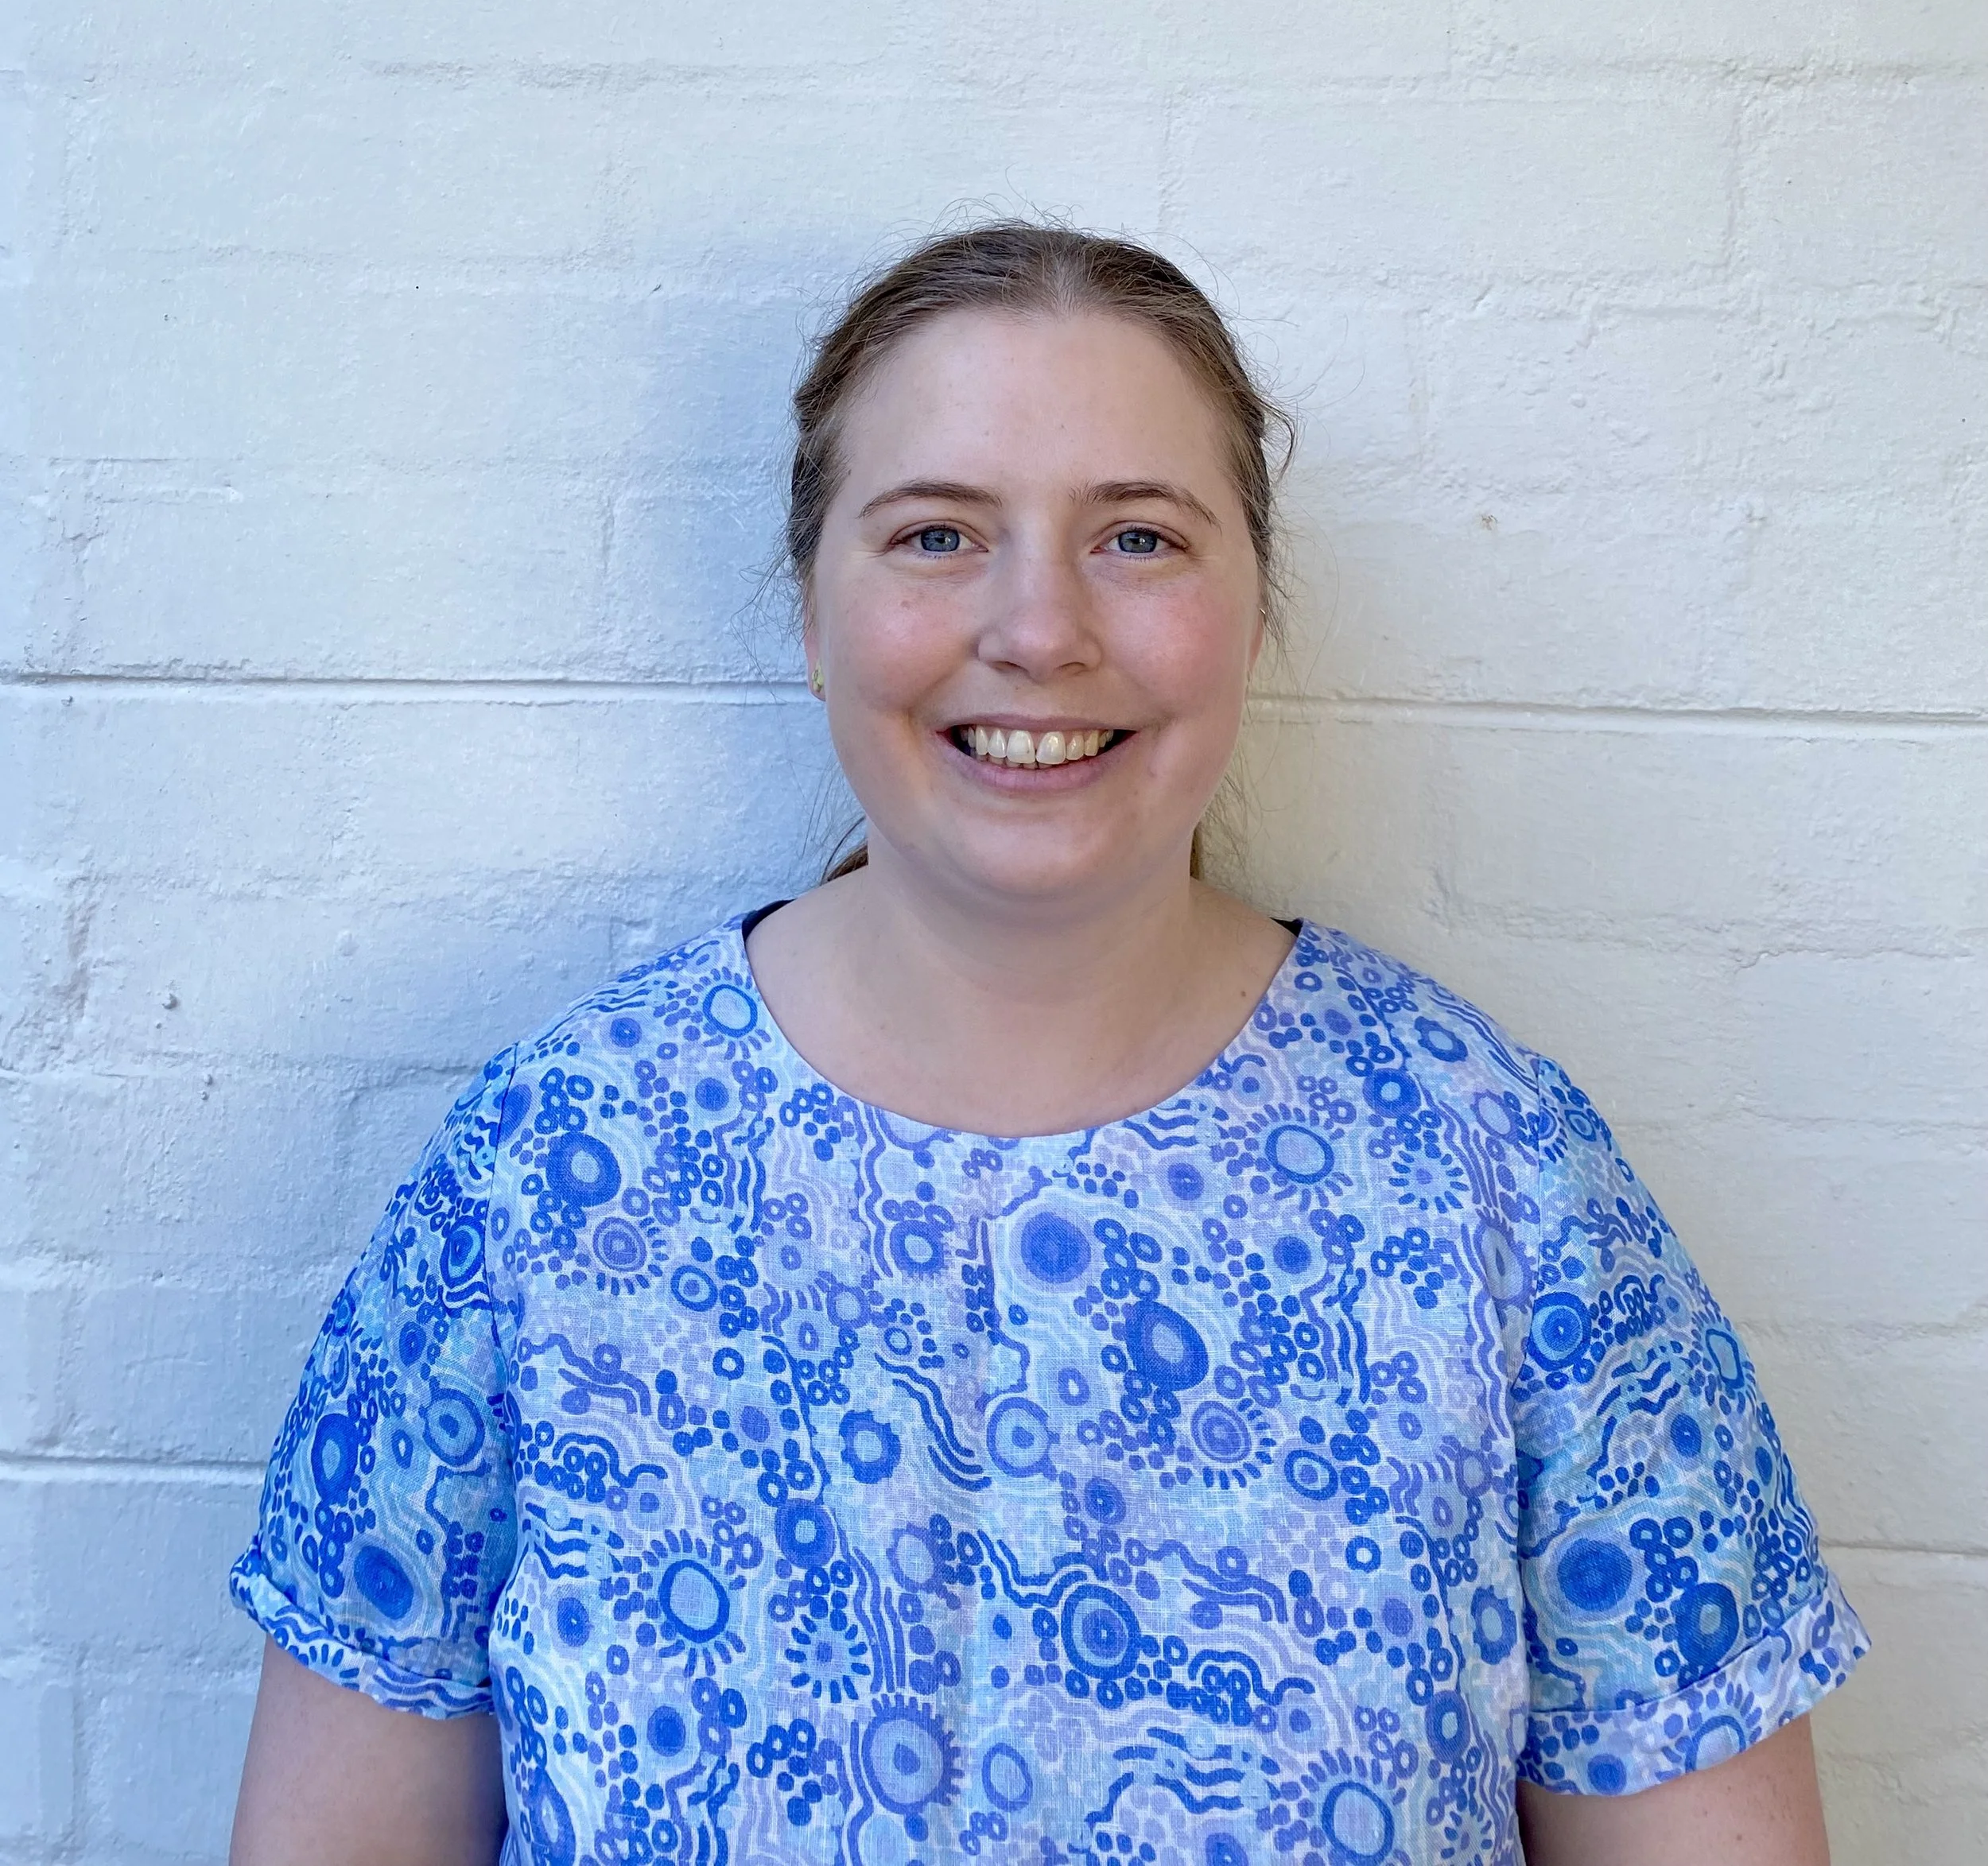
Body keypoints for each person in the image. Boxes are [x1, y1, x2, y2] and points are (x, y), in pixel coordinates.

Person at [229, 223, 1865, 1866]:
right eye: (937, 534)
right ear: (811, 610)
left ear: (1252, 610)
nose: (1037, 627)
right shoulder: (548, 1176)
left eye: (1136, 538)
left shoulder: (1498, 1183)